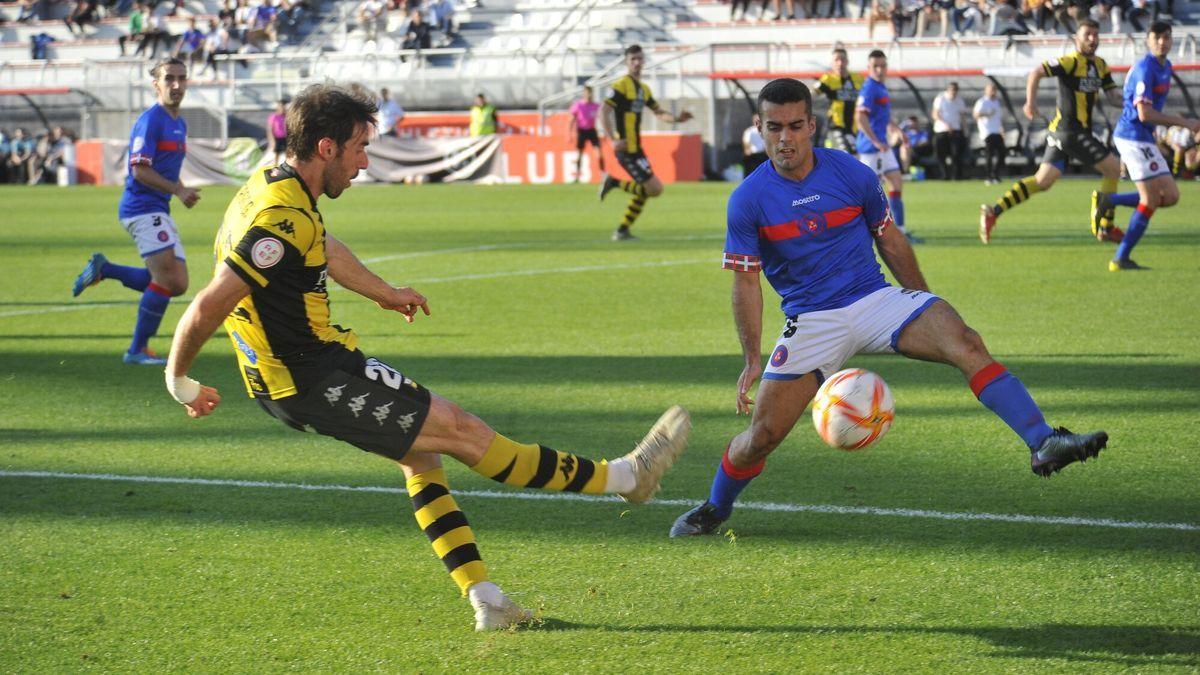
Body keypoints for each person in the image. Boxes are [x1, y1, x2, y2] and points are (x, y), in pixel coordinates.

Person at [159, 83, 690, 631]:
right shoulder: (278, 216)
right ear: (325, 148)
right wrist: (180, 380)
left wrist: (382, 291)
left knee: (421, 457)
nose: (364, 163)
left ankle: (488, 599)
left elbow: (322, 245)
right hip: (309, 379)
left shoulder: (274, 188)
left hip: (319, 364)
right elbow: (210, 303)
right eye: (360, 147)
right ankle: (626, 477)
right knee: (462, 432)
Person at [668, 78, 1108, 538]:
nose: (785, 138)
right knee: (762, 438)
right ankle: (714, 509)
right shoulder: (748, 200)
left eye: (795, 126)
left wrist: (922, 301)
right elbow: (745, 282)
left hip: (874, 299)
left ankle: (1042, 441)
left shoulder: (853, 174)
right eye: (774, 127)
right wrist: (752, 358)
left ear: (812, 126)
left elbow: (889, 239)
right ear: (759, 128)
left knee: (966, 342)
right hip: (812, 321)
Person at [71, 58, 201, 365]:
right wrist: (178, 191)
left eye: (182, 78)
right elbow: (140, 170)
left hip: (156, 208)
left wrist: (179, 190)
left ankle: (107, 270)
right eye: (169, 78)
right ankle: (137, 350)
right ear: (156, 84)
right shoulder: (151, 120)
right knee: (169, 280)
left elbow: (165, 167)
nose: (177, 84)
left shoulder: (178, 122)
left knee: (177, 283)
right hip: (141, 208)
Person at [979, 20, 1123, 245]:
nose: (1092, 39)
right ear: (1077, 38)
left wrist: (1133, 102)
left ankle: (993, 211)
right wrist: (1030, 103)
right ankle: (1105, 226)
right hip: (1070, 132)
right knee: (1114, 169)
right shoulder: (1070, 62)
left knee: (1043, 181)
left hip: (1064, 133)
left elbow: (1113, 96)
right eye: (1087, 34)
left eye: (1096, 35)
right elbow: (1036, 72)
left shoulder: (1101, 65)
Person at [1107, 22, 1200, 271]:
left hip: (1144, 137)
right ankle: (1120, 258)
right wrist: (1185, 123)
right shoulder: (1145, 68)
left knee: (1170, 196)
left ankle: (1109, 200)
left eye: (1167, 37)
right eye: (1158, 37)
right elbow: (1145, 114)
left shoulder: (1166, 67)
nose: (1163, 42)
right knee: (1149, 200)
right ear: (1148, 40)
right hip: (1132, 135)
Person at [597, 44, 693, 242]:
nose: (637, 63)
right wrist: (612, 140)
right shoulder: (621, 85)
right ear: (626, 62)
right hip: (625, 148)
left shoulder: (643, 89)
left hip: (637, 149)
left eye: (640, 58)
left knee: (650, 190)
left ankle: (622, 230)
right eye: (633, 59)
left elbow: (659, 113)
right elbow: (603, 111)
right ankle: (613, 182)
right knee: (654, 189)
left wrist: (677, 119)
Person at [855, 50, 921, 243]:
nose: (880, 69)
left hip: (882, 147)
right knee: (867, 193)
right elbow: (860, 117)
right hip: (871, 149)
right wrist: (875, 141)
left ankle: (900, 231)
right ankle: (863, 234)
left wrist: (898, 131)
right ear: (868, 68)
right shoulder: (869, 88)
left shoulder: (880, 87)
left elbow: (883, 117)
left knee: (896, 182)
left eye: (883, 65)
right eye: (875, 66)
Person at [814, 48, 864, 156]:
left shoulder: (858, 78)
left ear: (847, 61)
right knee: (845, 154)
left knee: (855, 156)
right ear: (832, 63)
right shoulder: (828, 79)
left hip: (854, 128)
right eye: (836, 60)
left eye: (843, 59)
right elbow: (813, 92)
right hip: (836, 125)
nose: (840, 63)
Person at [931, 81, 968, 180]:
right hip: (941, 131)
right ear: (948, 90)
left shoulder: (959, 101)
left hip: (956, 130)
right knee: (940, 154)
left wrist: (965, 129)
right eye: (952, 90)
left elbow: (963, 116)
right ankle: (944, 175)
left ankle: (956, 176)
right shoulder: (941, 99)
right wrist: (946, 125)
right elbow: (935, 114)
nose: (953, 92)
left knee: (956, 153)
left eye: (955, 90)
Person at [568, 85, 605, 182]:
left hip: (592, 131)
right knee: (579, 155)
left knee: (599, 154)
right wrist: (569, 134)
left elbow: (602, 118)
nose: (589, 95)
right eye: (587, 93)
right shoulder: (578, 105)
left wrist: (605, 131)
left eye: (590, 93)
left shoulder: (596, 106)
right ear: (584, 94)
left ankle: (603, 175)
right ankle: (577, 177)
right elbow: (572, 120)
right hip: (581, 131)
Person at [973, 82, 1006, 185]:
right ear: (986, 90)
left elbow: (998, 118)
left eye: (994, 90)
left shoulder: (996, 102)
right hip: (987, 132)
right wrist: (987, 114)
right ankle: (988, 177)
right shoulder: (982, 102)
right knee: (989, 155)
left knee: (1002, 154)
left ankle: (995, 175)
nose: (993, 92)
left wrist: (1002, 129)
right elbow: (976, 115)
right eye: (991, 90)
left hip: (997, 131)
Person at [266, 99, 287, 164]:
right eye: (280, 107)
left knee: (288, 153)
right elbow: (270, 129)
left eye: (283, 107)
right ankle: (275, 167)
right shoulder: (274, 116)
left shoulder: (285, 116)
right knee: (276, 154)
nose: (282, 108)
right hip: (277, 138)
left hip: (285, 137)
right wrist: (272, 140)